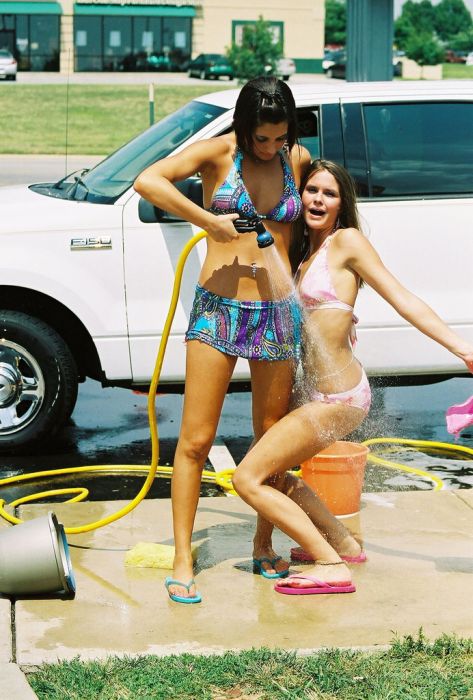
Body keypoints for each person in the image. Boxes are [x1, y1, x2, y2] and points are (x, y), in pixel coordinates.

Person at [232, 159, 473, 596]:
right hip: (313, 396)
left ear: (343, 204)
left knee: (246, 478)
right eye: (311, 191)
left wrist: (464, 350)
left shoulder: (347, 243)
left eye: (329, 193)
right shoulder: (304, 255)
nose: (318, 200)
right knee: (271, 474)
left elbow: (404, 299)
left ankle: (329, 566)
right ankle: (342, 543)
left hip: (339, 396)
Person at [134, 76, 311, 603]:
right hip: (219, 309)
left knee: (271, 439)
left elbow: (308, 227)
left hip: (277, 313)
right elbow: (149, 180)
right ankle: (184, 557)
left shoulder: (295, 160)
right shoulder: (220, 153)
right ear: (244, 125)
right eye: (262, 138)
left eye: (279, 138)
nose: (270, 147)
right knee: (195, 440)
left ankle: (264, 544)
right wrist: (207, 219)